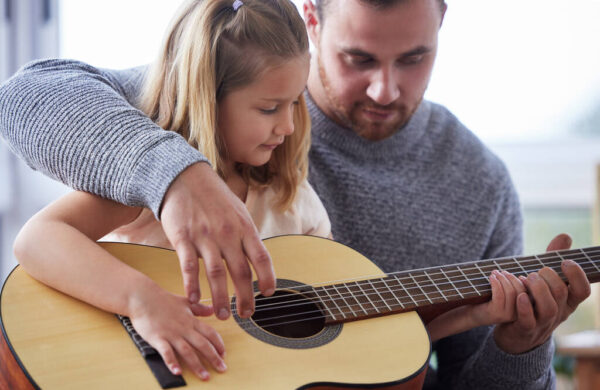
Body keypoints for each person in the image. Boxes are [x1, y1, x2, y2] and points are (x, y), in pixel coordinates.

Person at [0, 0, 591, 388]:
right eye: (357, 58)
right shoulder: (233, 72)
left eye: (414, 58)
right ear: (312, 19)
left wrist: (514, 342)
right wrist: (175, 176)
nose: (385, 88)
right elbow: (29, 96)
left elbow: (361, 357)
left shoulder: (472, 183)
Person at [11, 0, 334, 381]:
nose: (288, 126)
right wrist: (140, 300)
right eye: (268, 109)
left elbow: (326, 303)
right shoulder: (153, 188)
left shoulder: (293, 200)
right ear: (207, 97)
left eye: (294, 103)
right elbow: (35, 240)